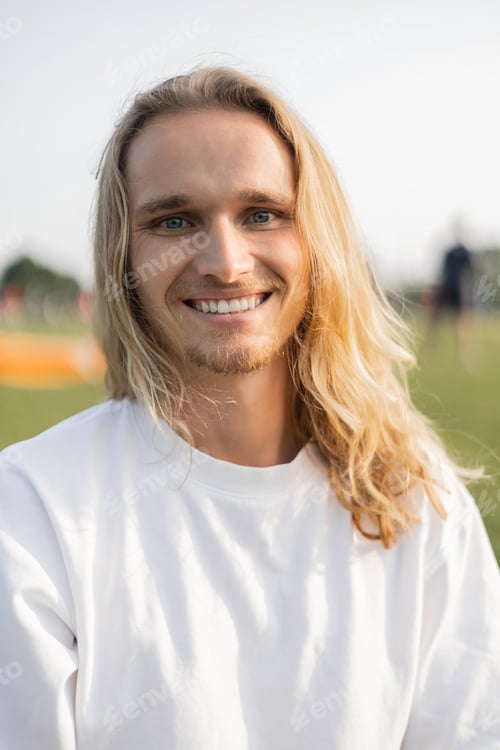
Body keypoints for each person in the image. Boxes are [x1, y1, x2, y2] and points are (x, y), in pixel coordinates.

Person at [1, 67, 499, 749]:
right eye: (175, 220)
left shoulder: (419, 499)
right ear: (123, 255)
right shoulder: (29, 512)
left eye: (262, 214)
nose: (227, 262)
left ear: (316, 239)